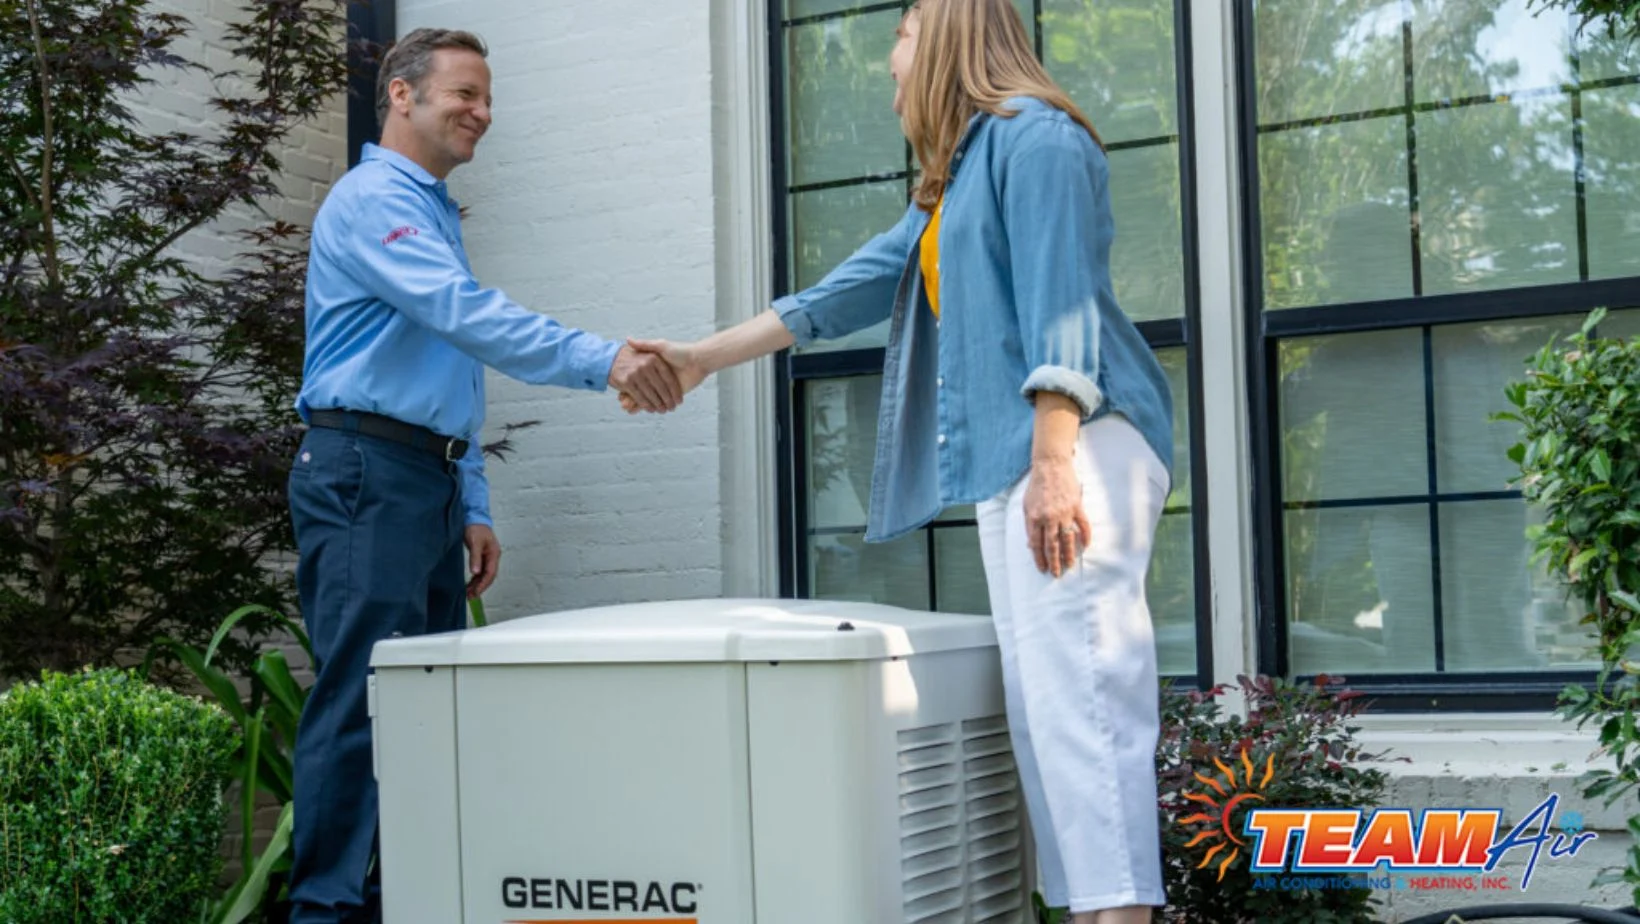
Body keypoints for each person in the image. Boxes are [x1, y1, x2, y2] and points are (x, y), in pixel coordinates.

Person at [623, 1, 1173, 920]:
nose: (889, 59)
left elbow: (1063, 307)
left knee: (1084, 702)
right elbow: (842, 293)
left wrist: (1053, 462)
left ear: (952, 35)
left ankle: (1117, 914)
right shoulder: (953, 186)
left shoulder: (1037, 141)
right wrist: (698, 358)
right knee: (1046, 715)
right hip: (1026, 457)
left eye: (903, 30)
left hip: (1076, 447)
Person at [287, 27, 682, 924]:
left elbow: (446, 372)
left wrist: (470, 498)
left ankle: (406, 900)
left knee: (424, 706)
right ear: (401, 94)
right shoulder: (372, 201)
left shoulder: (430, 211)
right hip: (364, 475)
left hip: (419, 479)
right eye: (465, 93)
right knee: (363, 700)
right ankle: (325, 913)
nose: (483, 113)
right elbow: (467, 319)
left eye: (488, 98)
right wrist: (606, 360)